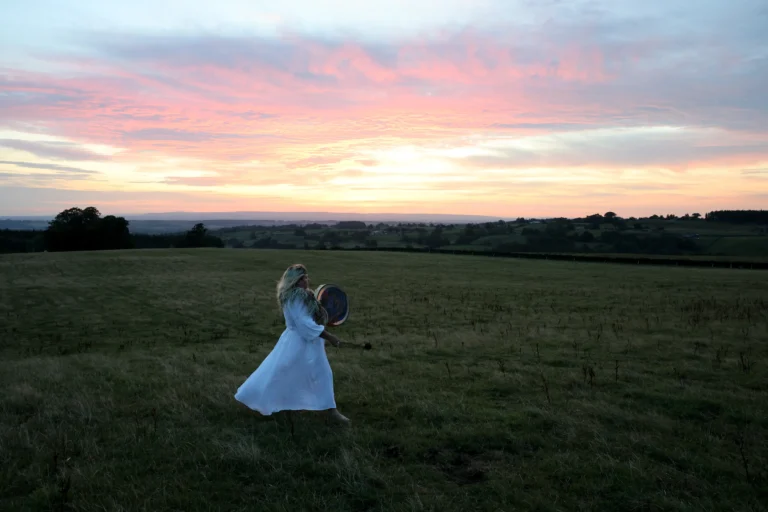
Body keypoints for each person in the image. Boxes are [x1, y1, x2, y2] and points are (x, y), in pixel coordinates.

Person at [234, 263, 350, 423]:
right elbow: (303, 323)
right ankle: (329, 412)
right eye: (302, 278)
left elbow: (312, 320)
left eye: (306, 277)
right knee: (286, 374)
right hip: (298, 343)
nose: (306, 280)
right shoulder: (294, 298)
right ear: (293, 280)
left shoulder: (305, 296)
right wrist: (329, 336)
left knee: (316, 373)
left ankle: (325, 409)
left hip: (304, 341)